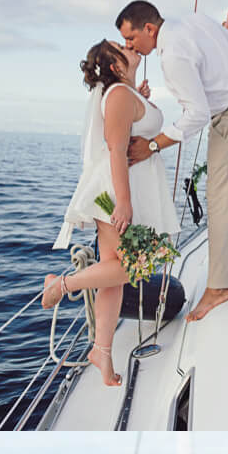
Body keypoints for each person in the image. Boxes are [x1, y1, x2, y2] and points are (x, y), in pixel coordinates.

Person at [116, 0, 228, 323]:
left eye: (131, 39)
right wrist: (225, 34)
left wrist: (154, 145)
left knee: (221, 200)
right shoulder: (196, 21)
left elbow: (197, 114)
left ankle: (218, 288)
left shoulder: (172, 55)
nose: (129, 46)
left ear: (149, 28)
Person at [47, 40, 182, 387]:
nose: (130, 45)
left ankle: (102, 351)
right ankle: (62, 284)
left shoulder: (125, 92)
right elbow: (116, 149)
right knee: (127, 267)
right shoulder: (120, 95)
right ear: (115, 66)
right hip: (115, 193)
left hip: (127, 189)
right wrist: (123, 202)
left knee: (117, 277)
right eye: (121, 47)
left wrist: (138, 94)